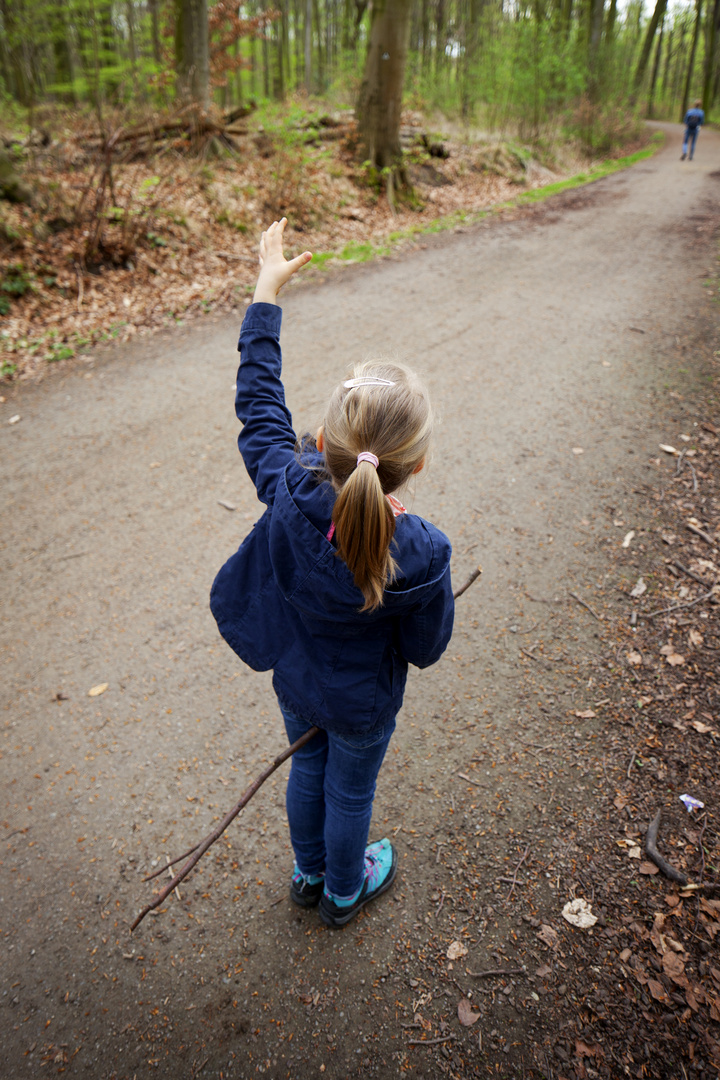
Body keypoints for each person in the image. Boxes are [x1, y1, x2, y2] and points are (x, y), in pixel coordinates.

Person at [210, 219, 454, 928]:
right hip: (362, 703)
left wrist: (266, 293)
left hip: (295, 679)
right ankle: (346, 891)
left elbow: (259, 409)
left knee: (306, 769)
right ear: (418, 464)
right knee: (352, 791)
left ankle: (309, 873)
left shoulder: (287, 483)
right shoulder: (425, 551)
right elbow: (425, 648)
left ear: (319, 442)